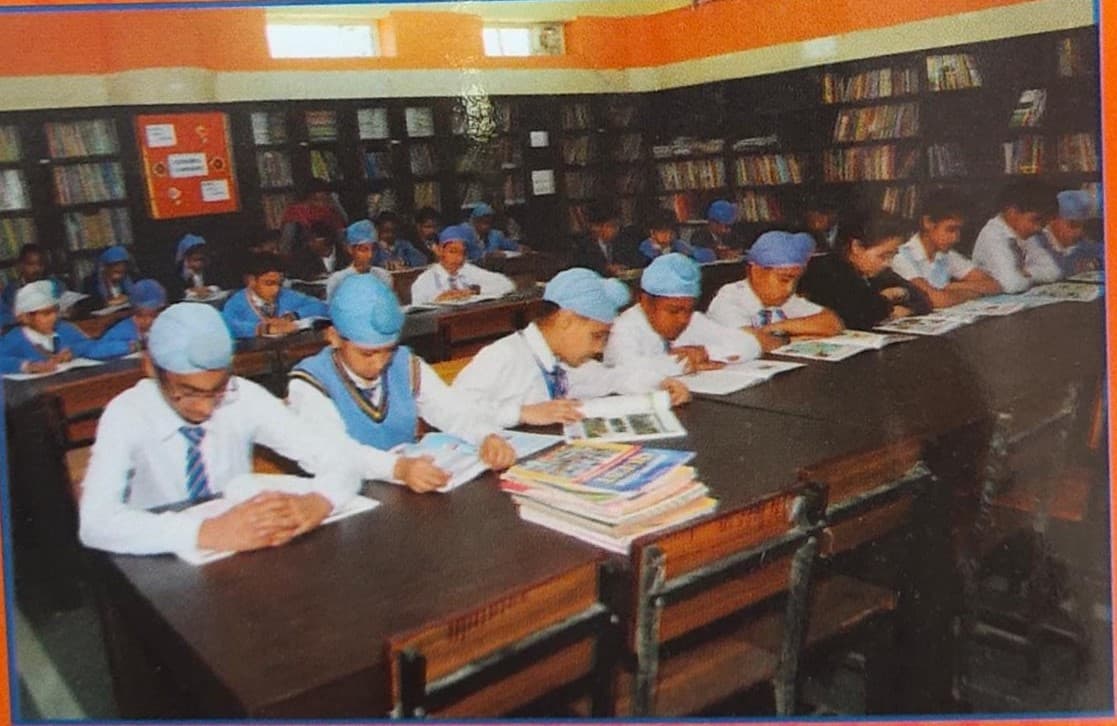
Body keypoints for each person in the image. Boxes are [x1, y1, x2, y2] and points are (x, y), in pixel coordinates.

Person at [77, 303, 361, 556]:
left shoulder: (243, 396)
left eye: (217, 390)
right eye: (188, 392)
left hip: (247, 551)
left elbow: (336, 456)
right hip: (163, 560)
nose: (205, 408)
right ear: (151, 368)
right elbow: (96, 523)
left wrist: (321, 500)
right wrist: (205, 532)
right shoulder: (126, 413)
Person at [288, 275, 516, 493]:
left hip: (406, 488)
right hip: (345, 495)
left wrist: (486, 435)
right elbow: (331, 450)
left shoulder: (404, 363)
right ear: (334, 337)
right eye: (367, 354)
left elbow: (451, 410)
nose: (380, 363)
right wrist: (397, 468)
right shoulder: (310, 382)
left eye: (388, 350)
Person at [453, 268, 690, 429]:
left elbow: (611, 378)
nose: (600, 349)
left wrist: (658, 383)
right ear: (566, 320)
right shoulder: (505, 355)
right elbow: (455, 408)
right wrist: (523, 413)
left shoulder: (561, 362)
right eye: (597, 336)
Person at [604, 253, 761, 380]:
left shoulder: (693, 320)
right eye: (673, 311)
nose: (683, 319)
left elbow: (751, 344)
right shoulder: (623, 328)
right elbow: (626, 371)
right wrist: (686, 363)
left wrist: (705, 352)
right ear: (645, 301)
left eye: (689, 310)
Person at [707, 231, 844, 350]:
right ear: (756, 271)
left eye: (796, 280)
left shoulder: (783, 300)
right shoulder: (729, 297)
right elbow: (750, 341)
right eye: (784, 279)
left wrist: (778, 327)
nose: (790, 289)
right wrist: (789, 340)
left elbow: (833, 323)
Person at [799, 215, 932, 330]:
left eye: (892, 255)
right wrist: (888, 298)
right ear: (856, 247)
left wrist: (902, 295)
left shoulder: (879, 272)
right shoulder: (828, 270)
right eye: (883, 256)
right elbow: (858, 316)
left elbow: (924, 300)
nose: (888, 263)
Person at [890, 189, 1002, 308]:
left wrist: (955, 287)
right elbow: (936, 300)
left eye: (959, 230)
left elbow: (994, 285)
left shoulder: (946, 255)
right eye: (950, 229)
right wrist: (972, 293)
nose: (956, 238)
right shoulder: (901, 257)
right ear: (927, 222)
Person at [0, 280, 118, 373]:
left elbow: (92, 345)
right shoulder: (14, 338)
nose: (53, 317)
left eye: (55, 311)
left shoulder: (64, 329)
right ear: (25, 317)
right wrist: (27, 366)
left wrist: (74, 351)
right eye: (46, 313)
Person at [972, 180, 1061, 293]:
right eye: (1035, 220)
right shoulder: (992, 235)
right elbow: (1012, 284)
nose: (1039, 228)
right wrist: (1031, 274)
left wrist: (1027, 273)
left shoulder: (1026, 233)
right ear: (1012, 212)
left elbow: (1054, 271)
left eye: (1043, 222)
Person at [222, 252, 329, 339]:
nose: (276, 289)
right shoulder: (237, 303)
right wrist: (265, 328)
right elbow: (227, 326)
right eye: (269, 283)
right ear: (251, 281)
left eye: (279, 283)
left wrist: (292, 316)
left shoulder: (286, 295)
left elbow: (322, 307)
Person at [409, 225, 515, 305]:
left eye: (463, 253)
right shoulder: (425, 280)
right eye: (453, 251)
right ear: (439, 251)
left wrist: (473, 291)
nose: (459, 258)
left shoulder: (468, 270)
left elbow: (507, 284)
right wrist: (438, 300)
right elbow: (418, 313)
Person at [1036, 190, 1104, 278]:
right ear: (1053, 219)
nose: (1079, 232)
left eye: (1084, 226)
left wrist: (1096, 263)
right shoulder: (1035, 243)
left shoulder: (1084, 246)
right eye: (1073, 225)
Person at [277, 180, 347, 259]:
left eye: (327, 197)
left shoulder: (331, 213)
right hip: (303, 258)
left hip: (332, 256)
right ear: (311, 197)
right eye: (325, 194)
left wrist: (336, 204)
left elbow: (342, 236)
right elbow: (286, 245)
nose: (326, 198)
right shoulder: (294, 213)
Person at [96, 279, 168, 356]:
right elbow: (97, 350)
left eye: (154, 316)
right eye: (141, 316)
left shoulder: (167, 324)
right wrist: (138, 345)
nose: (149, 321)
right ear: (135, 312)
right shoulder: (123, 330)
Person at [325, 220, 392, 302]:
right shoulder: (338, 280)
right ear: (350, 249)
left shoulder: (383, 276)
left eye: (373, 249)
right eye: (364, 250)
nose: (370, 255)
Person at [568, 202, 641, 276]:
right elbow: (581, 270)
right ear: (596, 227)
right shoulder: (582, 246)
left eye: (617, 225)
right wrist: (606, 269)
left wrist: (625, 267)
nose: (616, 229)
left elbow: (636, 261)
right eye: (611, 226)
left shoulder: (625, 239)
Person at [0, 244, 67, 316]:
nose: (37, 269)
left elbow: (67, 307)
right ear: (20, 266)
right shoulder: (11, 290)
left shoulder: (55, 284)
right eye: (31, 264)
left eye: (40, 264)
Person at [637, 209, 716, 266]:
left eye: (670, 230)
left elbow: (706, 255)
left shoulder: (677, 244)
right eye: (663, 231)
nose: (668, 234)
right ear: (652, 232)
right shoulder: (646, 248)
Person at [168, 233, 217, 301]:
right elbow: (175, 294)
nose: (200, 263)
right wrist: (192, 291)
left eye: (202, 259)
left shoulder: (211, 271)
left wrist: (209, 289)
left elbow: (220, 285)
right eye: (195, 259)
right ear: (186, 259)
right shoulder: (176, 275)